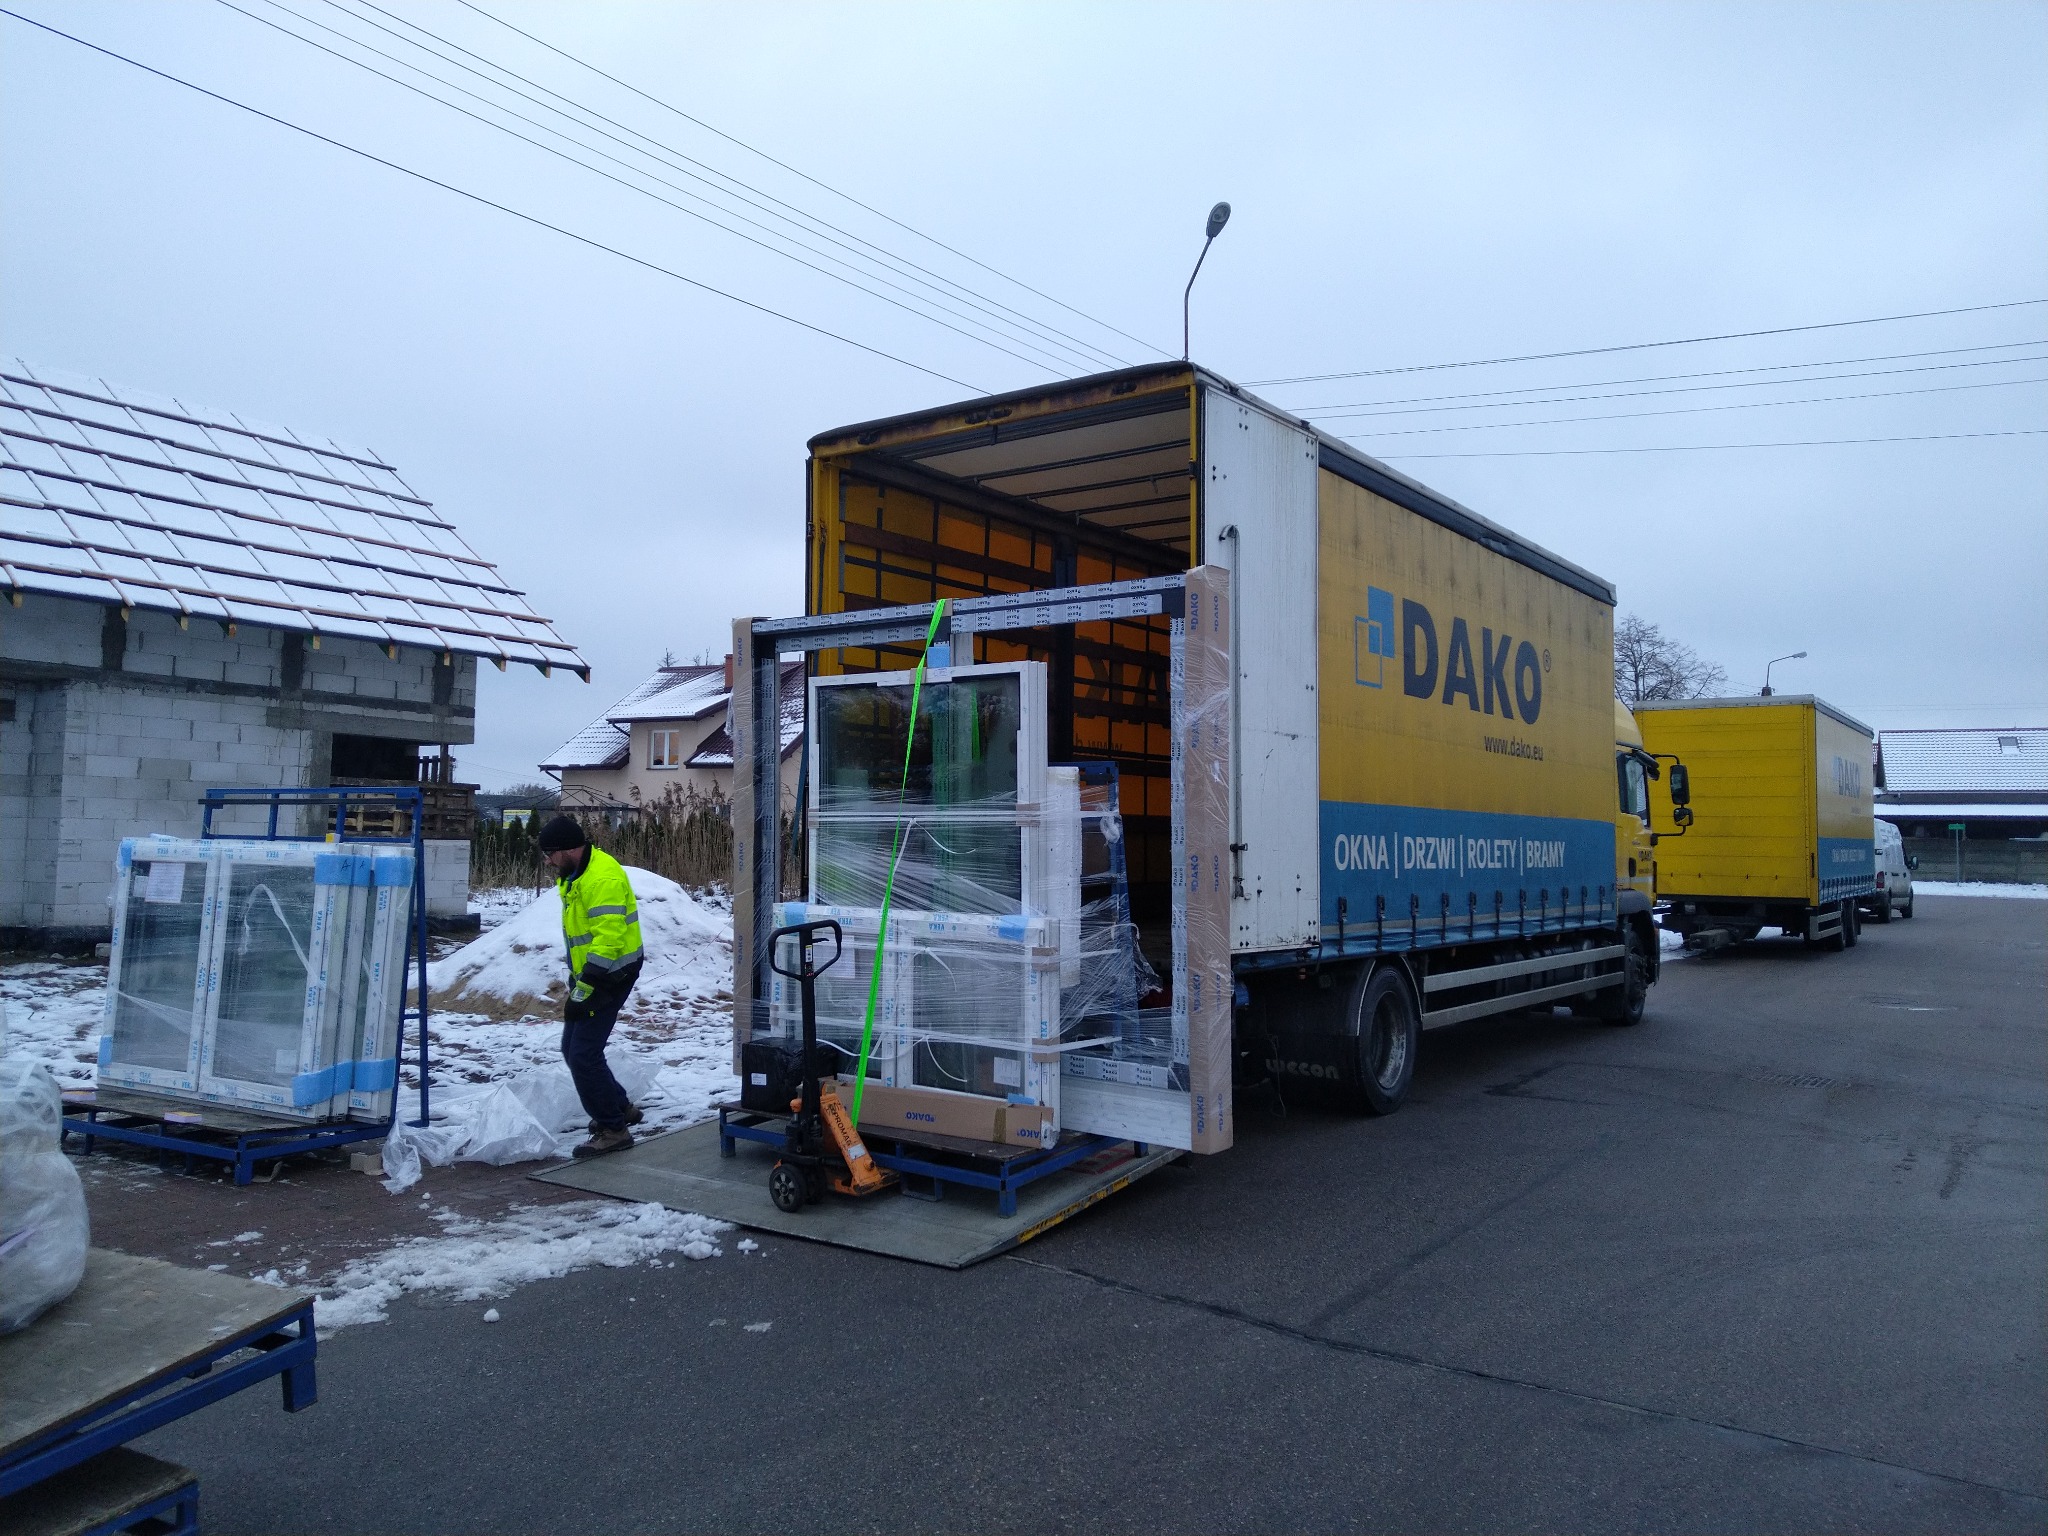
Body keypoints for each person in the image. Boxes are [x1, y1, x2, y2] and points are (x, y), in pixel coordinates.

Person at [535, 815, 645, 1157]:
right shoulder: (576, 874)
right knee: (573, 1048)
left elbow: (609, 940)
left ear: (568, 850)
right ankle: (619, 1107)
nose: (548, 862)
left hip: (611, 973)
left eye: (550, 854)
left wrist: (586, 988)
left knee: (583, 1055)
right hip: (596, 971)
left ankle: (613, 1129)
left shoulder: (601, 879)